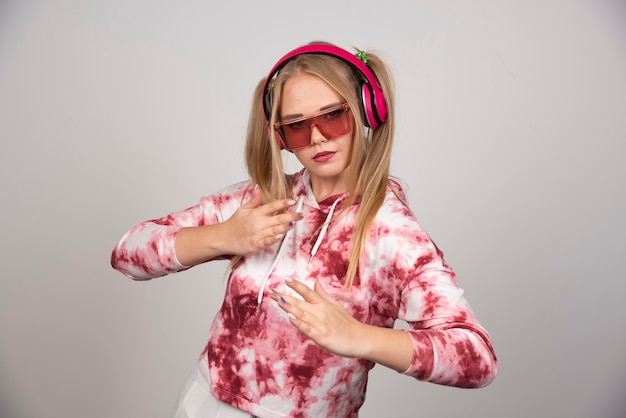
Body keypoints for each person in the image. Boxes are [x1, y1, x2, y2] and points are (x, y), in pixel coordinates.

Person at [111, 41, 498, 418]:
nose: (316, 137)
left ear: (366, 110)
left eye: (333, 116)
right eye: (297, 126)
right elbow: (128, 254)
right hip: (205, 402)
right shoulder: (260, 202)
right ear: (281, 137)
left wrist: (360, 338)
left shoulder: (391, 232)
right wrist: (224, 237)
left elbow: (476, 358)